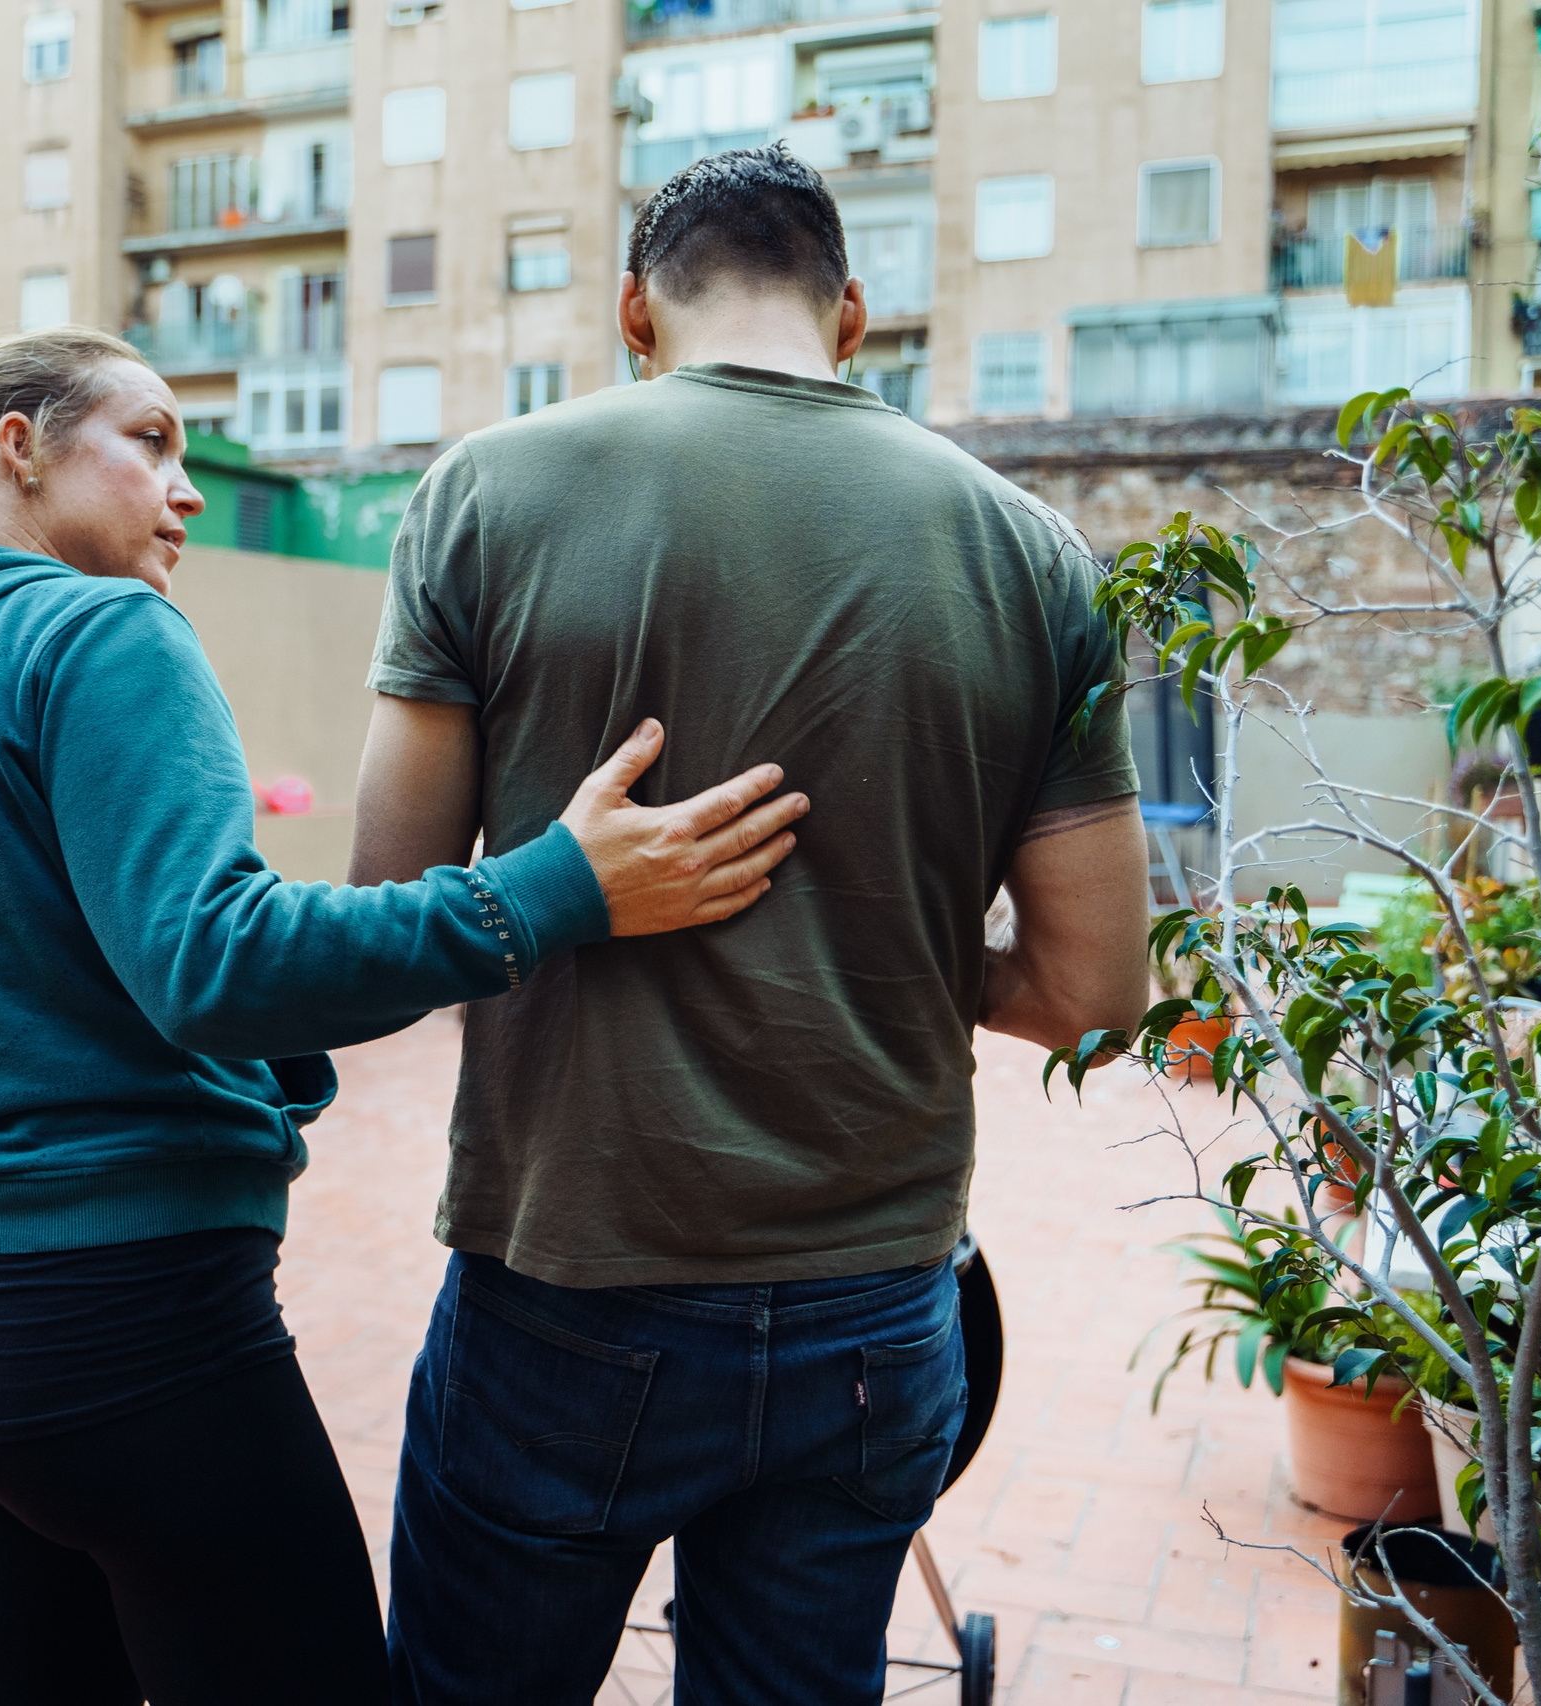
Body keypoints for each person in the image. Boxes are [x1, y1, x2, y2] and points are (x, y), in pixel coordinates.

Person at [0, 325, 812, 1706]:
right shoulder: (100, 634)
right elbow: (215, 959)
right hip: (133, 1343)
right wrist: (553, 889)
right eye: (148, 441)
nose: (186, 487)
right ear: (19, 452)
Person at [351, 146, 1152, 1705]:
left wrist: (574, 886)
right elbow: (1095, 992)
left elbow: (395, 913)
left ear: (635, 314)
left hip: (567, 1282)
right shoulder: (1031, 552)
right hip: (876, 1300)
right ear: (854, 315)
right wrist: (914, 941)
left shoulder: (483, 492)